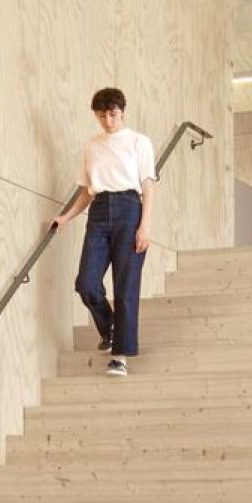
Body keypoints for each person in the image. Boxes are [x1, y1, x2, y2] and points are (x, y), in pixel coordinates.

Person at [48, 88, 157, 376]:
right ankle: (108, 326)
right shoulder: (92, 145)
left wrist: (144, 226)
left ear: (122, 112)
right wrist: (66, 217)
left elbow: (148, 186)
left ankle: (120, 355)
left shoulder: (139, 142)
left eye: (113, 114)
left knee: (125, 286)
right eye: (101, 115)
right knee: (86, 283)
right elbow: (86, 190)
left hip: (129, 210)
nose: (108, 121)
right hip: (98, 212)